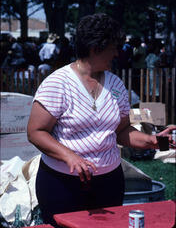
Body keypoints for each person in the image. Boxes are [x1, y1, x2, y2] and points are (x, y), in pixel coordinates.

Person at [27, 13, 176, 227]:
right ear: (95, 48)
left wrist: (155, 141)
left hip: (109, 183)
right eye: (113, 47)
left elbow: (122, 131)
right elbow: (35, 132)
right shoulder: (57, 84)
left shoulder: (116, 84)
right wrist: (70, 157)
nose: (117, 53)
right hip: (62, 185)